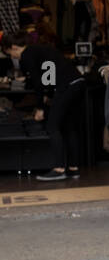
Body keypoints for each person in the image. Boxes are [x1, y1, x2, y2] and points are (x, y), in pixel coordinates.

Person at [0, 31, 86, 181]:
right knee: (69, 126)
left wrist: (40, 107)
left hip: (66, 85)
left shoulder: (27, 55)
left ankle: (59, 169)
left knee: (52, 126)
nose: (13, 58)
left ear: (14, 47)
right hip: (77, 82)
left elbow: (39, 84)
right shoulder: (41, 49)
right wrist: (48, 96)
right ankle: (73, 168)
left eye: (10, 54)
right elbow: (49, 75)